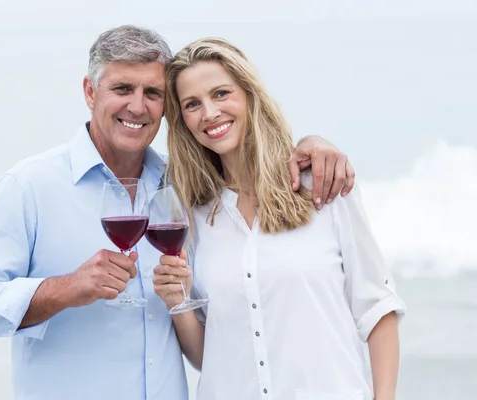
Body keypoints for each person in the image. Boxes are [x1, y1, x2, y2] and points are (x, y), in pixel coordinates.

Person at [0, 26, 356, 400]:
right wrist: (65, 288)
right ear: (90, 92)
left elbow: (222, 328)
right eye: (122, 88)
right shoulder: (30, 186)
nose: (138, 107)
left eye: (153, 93)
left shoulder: (187, 188)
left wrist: (313, 145)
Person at [153, 37, 406, 400]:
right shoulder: (193, 215)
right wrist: (177, 301)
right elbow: (208, 355)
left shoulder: (323, 187)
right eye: (193, 104)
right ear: (183, 121)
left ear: (249, 95)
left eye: (221, 94)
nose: (209, 113)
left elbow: (378, 309)